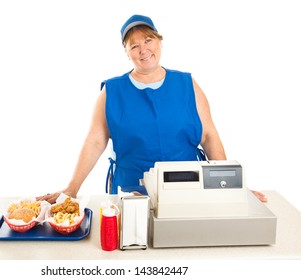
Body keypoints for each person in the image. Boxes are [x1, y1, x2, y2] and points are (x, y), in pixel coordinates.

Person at [37, 14, 267, 204]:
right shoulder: (111, 91)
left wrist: (230, 186)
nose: (143, 49)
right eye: (134, 45)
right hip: (131, 190)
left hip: (187, 188)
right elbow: (95, 141)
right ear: (126, 52)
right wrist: (72, 188)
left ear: (159, 41)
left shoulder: (187, 84)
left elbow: (209, 136)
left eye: (148, 40)